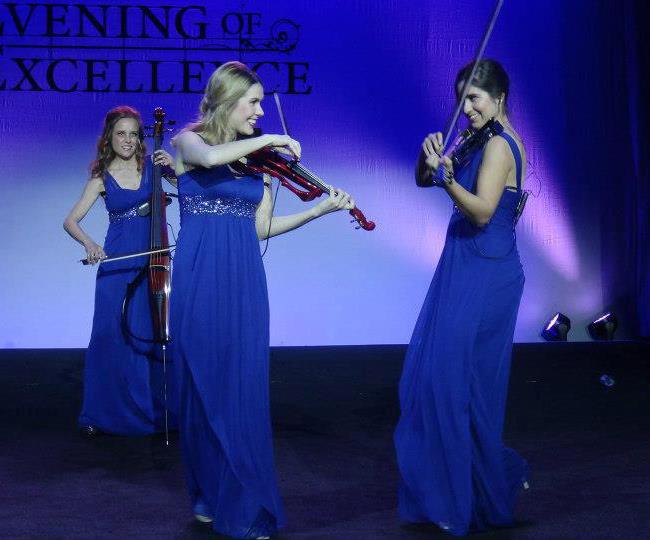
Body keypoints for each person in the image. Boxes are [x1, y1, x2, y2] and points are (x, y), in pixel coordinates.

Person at [170, 61, 354, 539]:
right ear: (227, 101)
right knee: (202, 386)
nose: (259, 111)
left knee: (241, 390)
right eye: (252, 102)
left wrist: (319, 209)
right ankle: (208, 491)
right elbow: (210, 158)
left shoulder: (259, 165)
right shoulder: (188, 141)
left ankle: (244, 502)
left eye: (259, 103)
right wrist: (270, 140)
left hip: (245, 279)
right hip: (200, 278)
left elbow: (261, 228)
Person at [394, 59, 529, 536]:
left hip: (487, 272)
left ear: (499, 97)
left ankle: (467, 496)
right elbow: (424, 179)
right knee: (443, 381)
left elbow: (482, 212)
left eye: (473, 98)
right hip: (464, 266)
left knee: (458, 385)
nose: (465, 108)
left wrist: (448, 179)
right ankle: (464, 492)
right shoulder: (475, 137)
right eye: (461, 99)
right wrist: (427, 158)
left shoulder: (499, 144)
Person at [64, 105, 176, 437]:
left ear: (141, 138)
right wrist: (89, 244)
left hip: (153, 263)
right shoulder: (100, 178)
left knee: (146, 334)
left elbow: (191, 191)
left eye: (133, 134)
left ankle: (151, 410)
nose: (127, 140)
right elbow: (70, 221)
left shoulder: (154, 166)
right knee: (109, 336)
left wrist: (175, 168)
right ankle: (100, 413)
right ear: (109, 138)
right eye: (120, 133)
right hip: (116, 267)